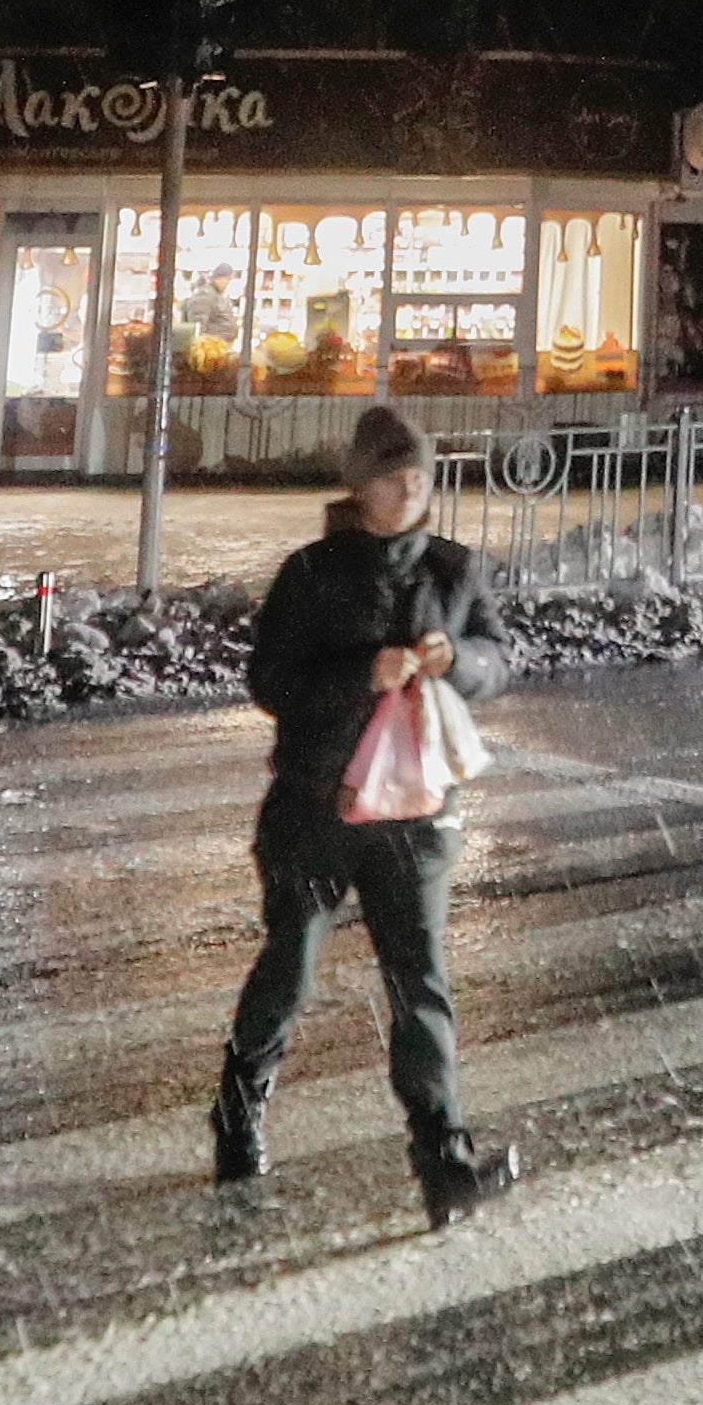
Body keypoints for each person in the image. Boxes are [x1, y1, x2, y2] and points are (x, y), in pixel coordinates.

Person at [222, 403, 522, 1219]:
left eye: (422, 471)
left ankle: (443, 1157)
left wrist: (459, 660)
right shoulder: (312, 573)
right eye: (395, 473)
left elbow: (501, 659)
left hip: (416, 813)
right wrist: (364, 672)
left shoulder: (457, 571)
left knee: (420, 982)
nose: (413, 485)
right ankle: (238, 1109)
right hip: (316, 809)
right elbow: (272, 682)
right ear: (361, 485)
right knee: (289, 970)